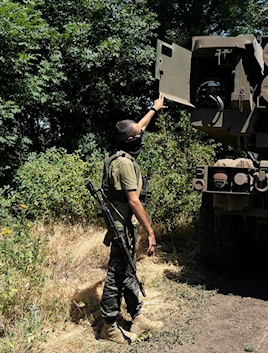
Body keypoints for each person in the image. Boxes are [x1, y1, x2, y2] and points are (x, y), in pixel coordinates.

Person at [99, 93, 167, 345]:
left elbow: (139, 128)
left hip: (125, 225)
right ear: (130, 141)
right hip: (122, 226)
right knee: (117, 274)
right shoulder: (124, 165)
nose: (142, 137)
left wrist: (154, 108)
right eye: (138, 136)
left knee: (128, 268)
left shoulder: (120, 151)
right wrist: (151, 231)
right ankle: (108, 326)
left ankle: (137, 316)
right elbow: (134, 201)